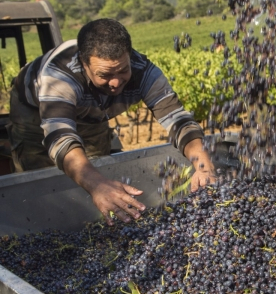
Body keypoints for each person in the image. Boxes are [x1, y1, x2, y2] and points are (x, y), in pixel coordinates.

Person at [7, 18, 215, 226]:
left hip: (93, 112)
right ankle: (46, 222)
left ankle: (94, 220)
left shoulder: (143, 70)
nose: (116, 82)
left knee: (97, 162)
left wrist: (203, 166)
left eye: (123, 70)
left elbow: (178, 119)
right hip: (34, 111)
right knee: (40, 172)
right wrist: (96, 184)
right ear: (84, 62)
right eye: (105, 74)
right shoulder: (59, 76)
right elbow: (60, 137)